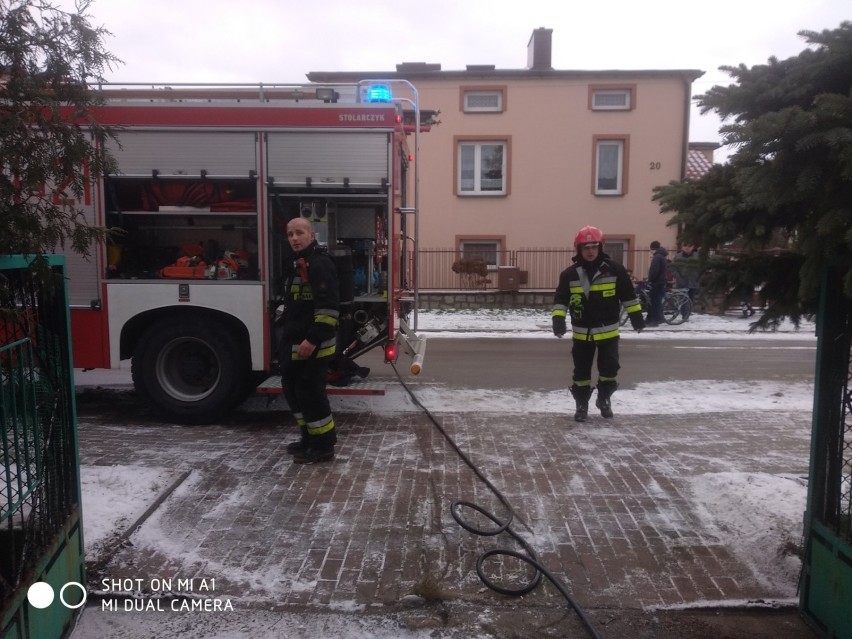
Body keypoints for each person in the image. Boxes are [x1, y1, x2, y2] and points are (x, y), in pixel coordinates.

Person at [552, 226, 645, 421]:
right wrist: (558, 320)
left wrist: (636, 317)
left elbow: (628, 296)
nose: (590, 251)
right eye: (585, 247)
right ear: (579, 249)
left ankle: (604, 398)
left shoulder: (616, 270)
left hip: (608, 332)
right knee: (581, 372)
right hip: (582, 333)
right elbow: (561, 300)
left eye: (594, 246)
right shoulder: (569, 274)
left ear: (601, 247)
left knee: (610, 369)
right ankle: (581, 405)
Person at [279, 217, 340, 463]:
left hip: (313, 346)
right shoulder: (297, 264)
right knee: (294, 392)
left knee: (311, 395)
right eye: (290, 234)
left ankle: (324, 447)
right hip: (295, 344)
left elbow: (329, 308)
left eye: (299, 233)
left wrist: (313, 340)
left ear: (311, 235)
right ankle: (308, 439)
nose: (294, 238)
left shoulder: (320, 264)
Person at [646, 240, 668, 326]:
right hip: (660, 282)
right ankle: (651, 319)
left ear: (652, 248)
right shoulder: (661, 256)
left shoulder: (657, 257)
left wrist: (650, 280)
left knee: (654, 302)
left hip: (656, 283)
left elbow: (654, 271)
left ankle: (655, 320)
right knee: (655, 301)